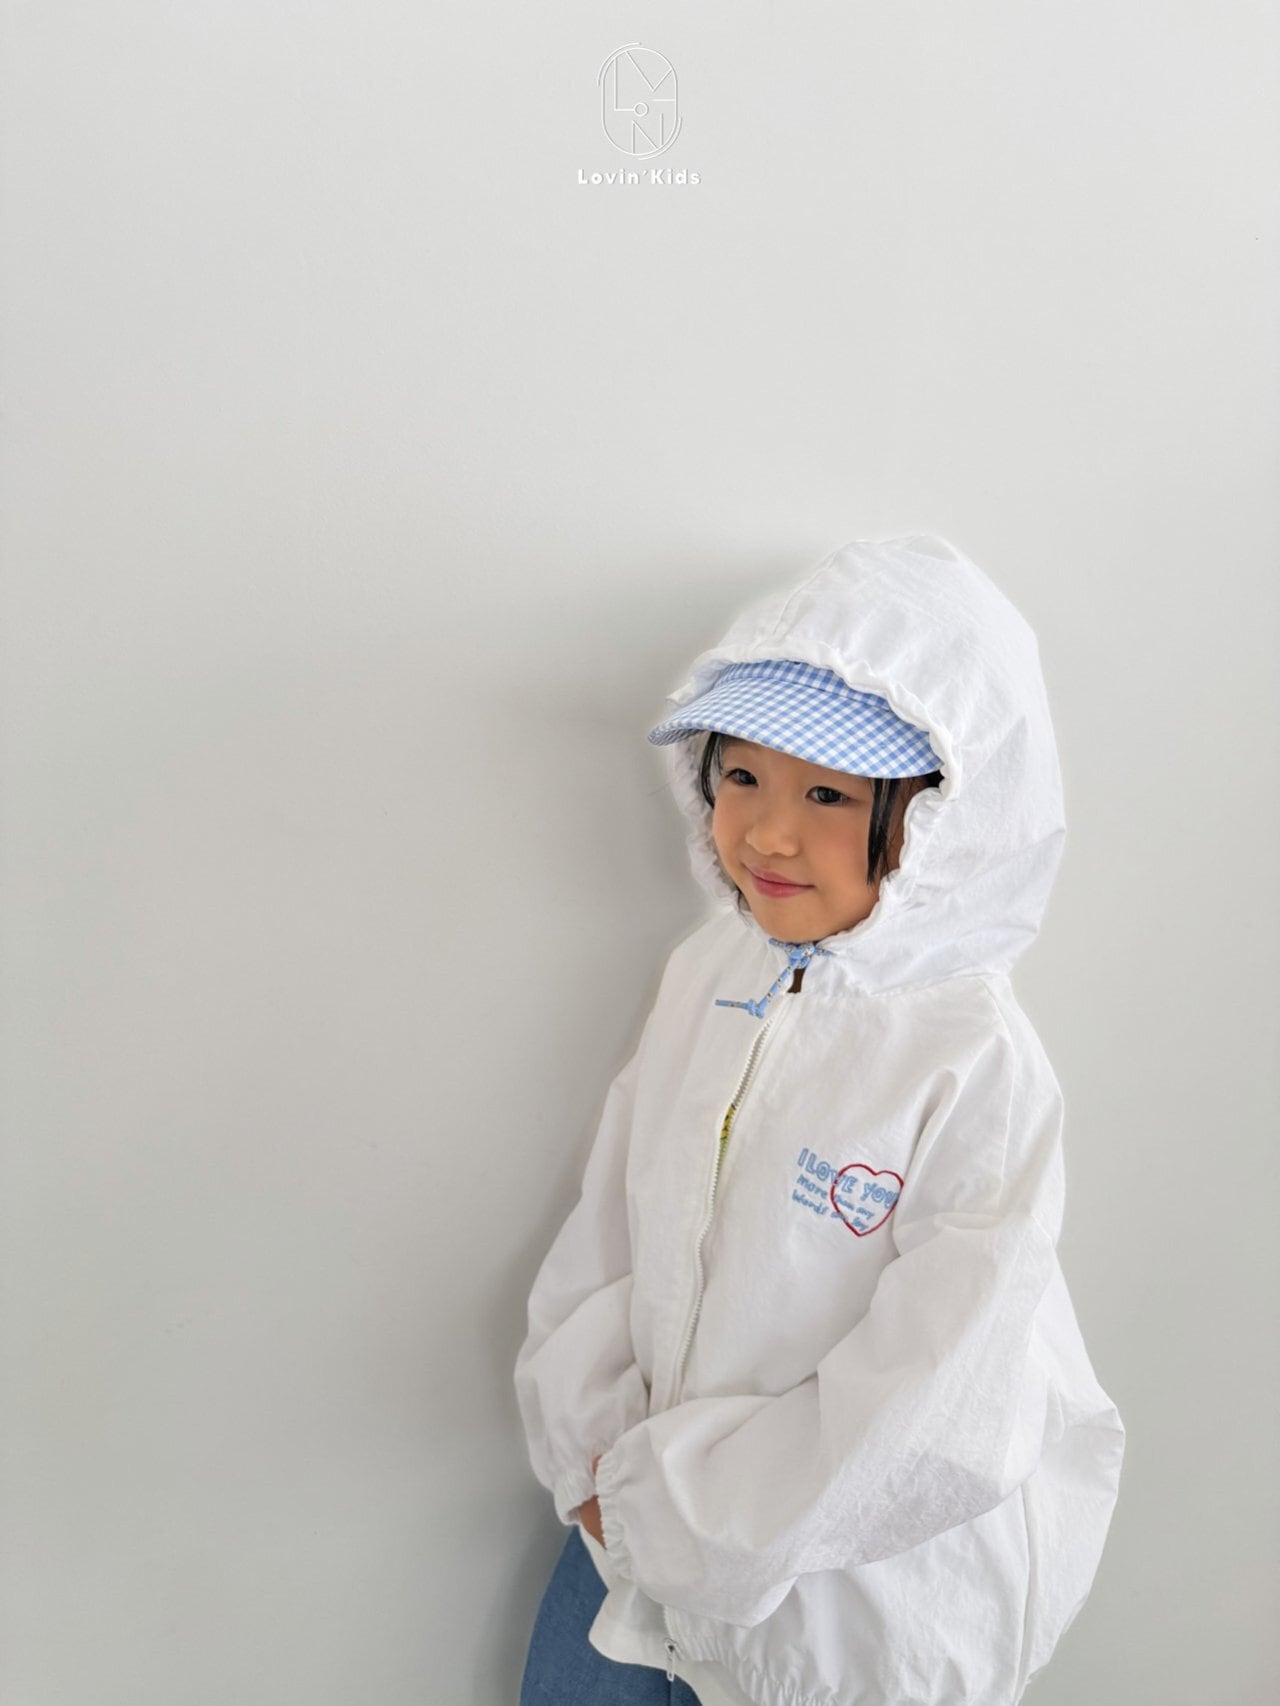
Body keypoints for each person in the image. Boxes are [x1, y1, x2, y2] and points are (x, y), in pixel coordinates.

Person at [513, 534, 1126, 1706]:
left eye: (829, 793)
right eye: (741, 775)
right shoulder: (712, 970)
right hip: (623, 1535)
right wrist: (594, 1458)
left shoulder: (970, 1062)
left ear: (946, 817)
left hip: (836, 1616)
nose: (766, 833)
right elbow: (612, 1227)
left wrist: (681, 1511)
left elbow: (934, 1402)